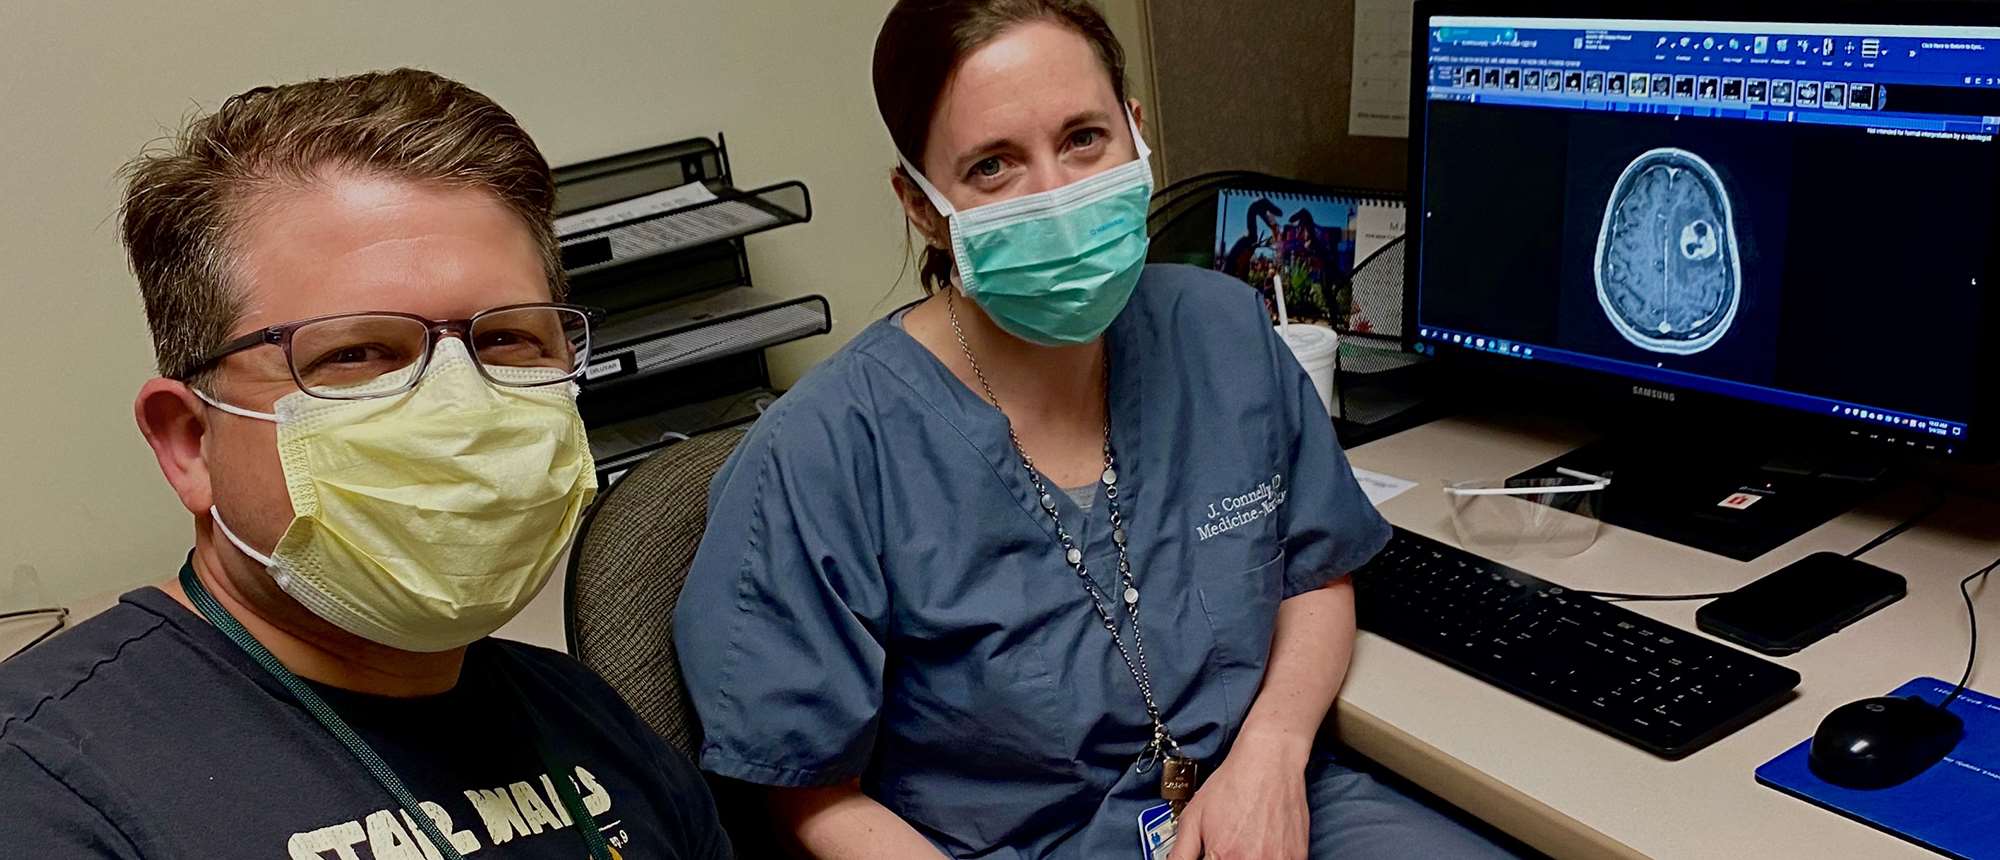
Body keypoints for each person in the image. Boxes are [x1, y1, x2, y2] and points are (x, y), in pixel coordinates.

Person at [672, 2, 1516, 858]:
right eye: (994, 165)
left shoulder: (1221, 329)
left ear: (1136, 134)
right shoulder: (823, 453)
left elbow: (1314, 572)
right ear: (922, 206)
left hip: (1270, 799)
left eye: (1084, 139)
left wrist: (1272, 751)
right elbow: (806, 793)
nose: (1058, 196)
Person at [0, 69, 730, 859]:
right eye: (356, 353)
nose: (464, 409)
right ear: (188, 442)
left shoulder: (586, 714)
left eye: (508, 339)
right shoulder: (45, 786)